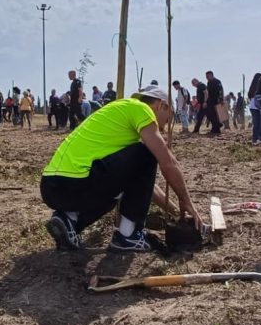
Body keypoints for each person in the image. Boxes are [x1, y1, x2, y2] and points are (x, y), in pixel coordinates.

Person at [40, 85, 204, 252]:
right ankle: (128, 235)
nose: (162, 128)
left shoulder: (118, 111)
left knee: (114, 192)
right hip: (77, 183)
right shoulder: (141, 109)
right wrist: (186, 200)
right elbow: (168, 162)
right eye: (167, 120)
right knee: (147, 153)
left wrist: (175, 210)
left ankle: (68, 220)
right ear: (161, 105)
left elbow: (143, 186)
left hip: (52, 187)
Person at [202, 71, 225, 136]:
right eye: (206, 77)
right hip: (210, 101)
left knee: (215, 115)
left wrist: (221, 99)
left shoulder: (217, 81)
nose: (207, 78)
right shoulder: (208, 82)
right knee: (209, 114)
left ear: (211, 75)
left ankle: (216, 129)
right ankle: (217, 125)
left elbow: (221, 91)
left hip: (216, 101)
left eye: (207, 76)